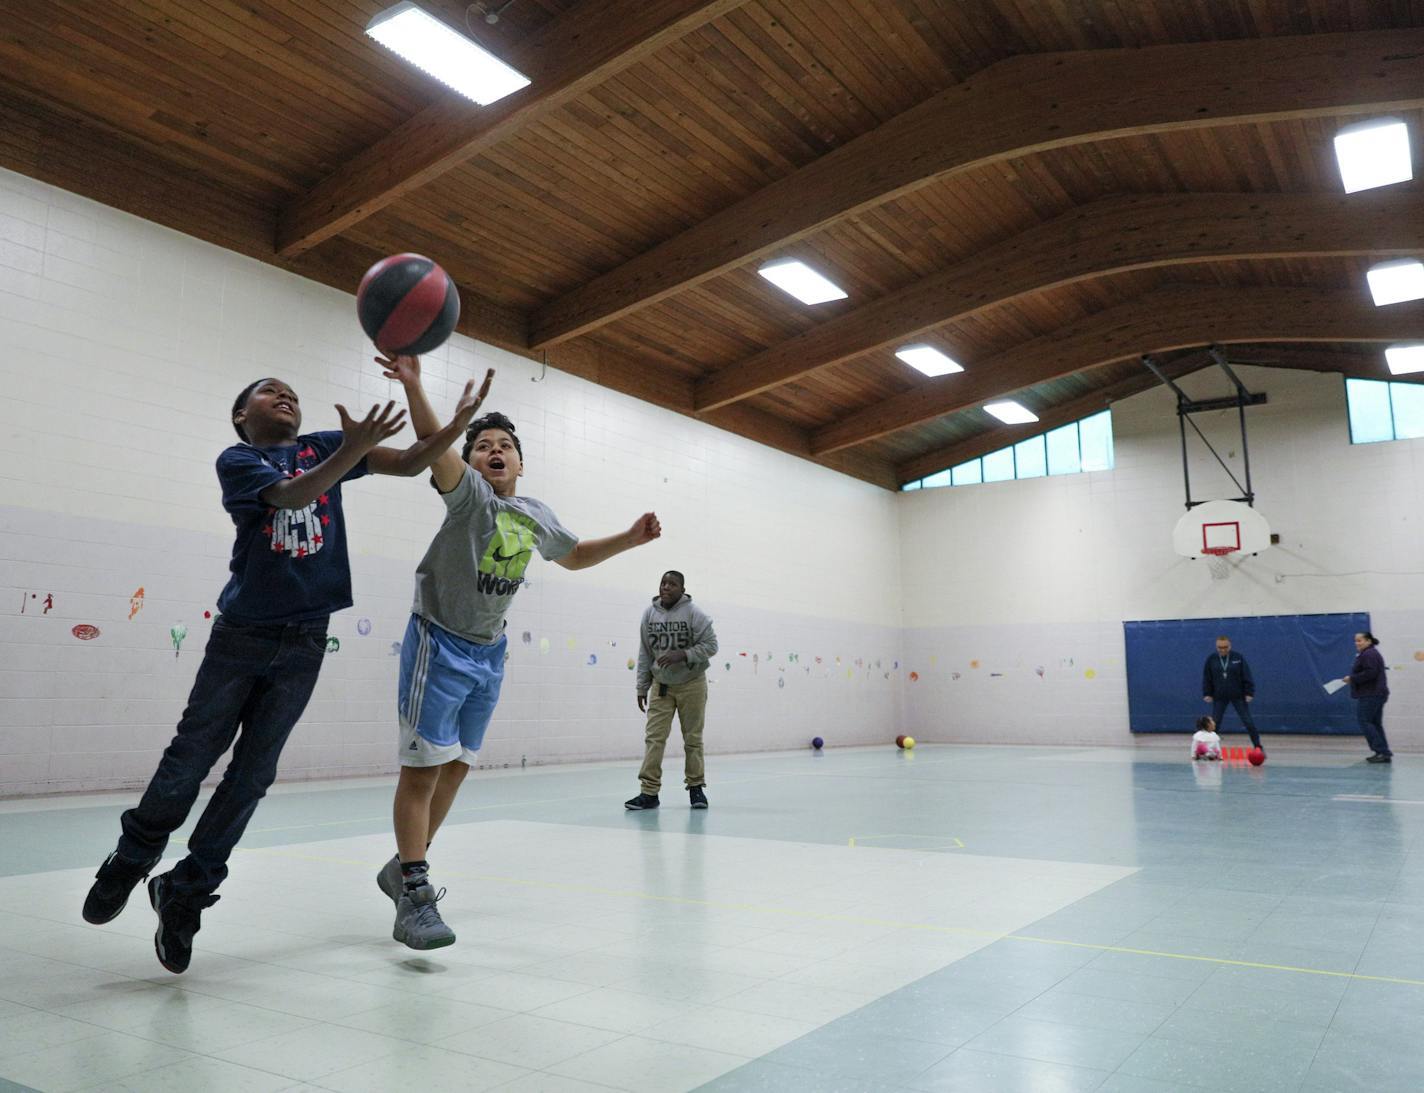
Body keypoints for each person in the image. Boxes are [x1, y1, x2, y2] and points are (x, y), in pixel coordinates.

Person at [82, 375, 482, 974]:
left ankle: (185, 891)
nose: (286, 396)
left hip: (305, 639)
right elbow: (293, 497)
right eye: (270, 392)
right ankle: (132, 857)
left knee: (253, 774)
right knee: (192, 755)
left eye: (292, 390)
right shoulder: (239, 460)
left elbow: (405, 463)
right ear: (242, 414)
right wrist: (351, 449)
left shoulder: (324, 444)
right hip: (243, 636)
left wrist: (454, 427)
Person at [375, 353, 662, 950]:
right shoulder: (470, 497)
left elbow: (576, 554)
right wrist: (417, 386)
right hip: (440, 643)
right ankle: (415, 893)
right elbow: (433, 441)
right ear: (470, 460)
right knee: (422, 769)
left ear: (522, 462)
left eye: (506, 445)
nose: (495, 451)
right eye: (484, 445)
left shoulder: (534, 515)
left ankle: (405, 864)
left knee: (457, 766)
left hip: (490, 654)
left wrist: (631, 540)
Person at [626, 570, 719, 812]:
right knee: (654, 739)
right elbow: (645, 652)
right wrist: (641, 686)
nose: (666, 587)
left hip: (692, 683)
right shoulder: (649, 614)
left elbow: (711, 645)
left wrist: (684, 654)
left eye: (672, 584)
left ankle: (696, 788)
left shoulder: (695, 614)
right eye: (663, 583)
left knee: (693, 739)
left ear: (682, 589)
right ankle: (649, 792)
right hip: (662, 685)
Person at [1201, 635, 1262, 755]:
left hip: (1238, 695)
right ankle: (1210, 749)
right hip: (1219, 696)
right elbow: (1207, 677)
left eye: (1225, 647)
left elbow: (1246, 675)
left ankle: (1258, 746)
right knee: (1215, 724)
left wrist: (1249, 692)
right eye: (1220, 647)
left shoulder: (1238, 658)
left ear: (1230, 646)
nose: (1223, 650)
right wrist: (1207, 693)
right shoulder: (1211, 659)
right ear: (1216, 647)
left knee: (1248, 722)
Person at [1343, 631, 1391, 763]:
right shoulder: (1369, 653)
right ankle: (1383, 752)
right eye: (1356, 641)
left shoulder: (1369, 654)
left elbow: (1371, 672)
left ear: (1368, 641)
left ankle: (1381, 751)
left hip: (1371, 694)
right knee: (1375, 723)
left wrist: (1352, 678)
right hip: (1376, 693)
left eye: (1360, 640)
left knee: (1365, 721)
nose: (1357, 643)